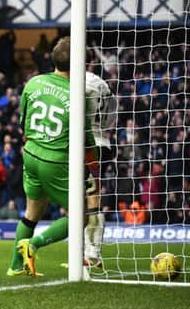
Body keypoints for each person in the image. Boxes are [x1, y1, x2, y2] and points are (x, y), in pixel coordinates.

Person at [7, 37, 97, 276]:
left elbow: (22, 122)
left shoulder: (33, 83)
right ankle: (33, 245)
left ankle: (16, 266)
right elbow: (86, 138)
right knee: (80, 217)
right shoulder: (79, 94)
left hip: (31, 153)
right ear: (80, 64)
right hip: (56, 159)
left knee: (31, 214)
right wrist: (95, 159)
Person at [82, 71, 117, 268]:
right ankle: (92, 253)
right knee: (93, 196)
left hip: (86, 143)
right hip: (103, 143)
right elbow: (112, 113)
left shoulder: (77, 81)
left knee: (84, 199)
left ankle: (91, 254)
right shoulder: (102, 83)